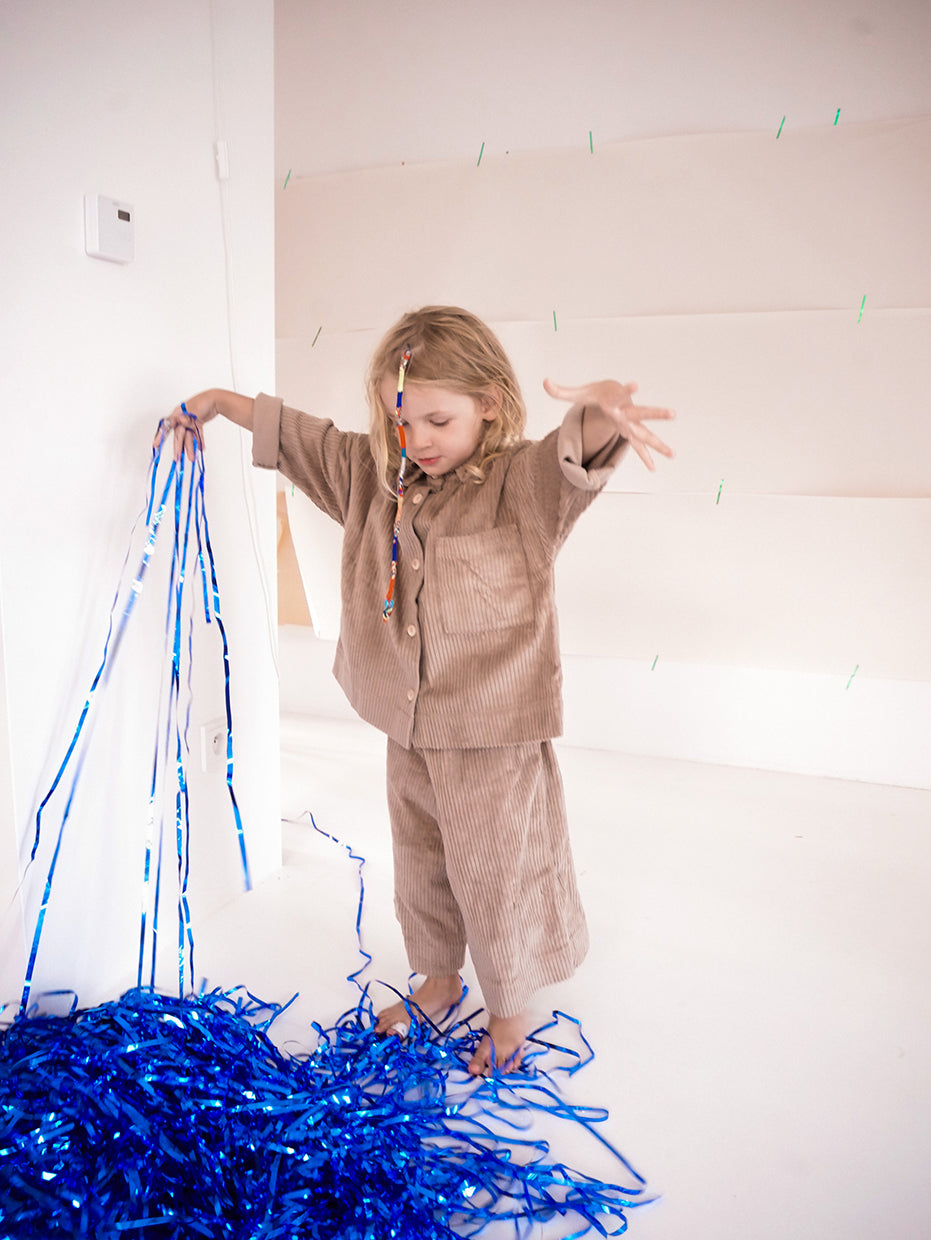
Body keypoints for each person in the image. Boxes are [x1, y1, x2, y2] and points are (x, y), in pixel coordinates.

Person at [159, 305, 674, 1075]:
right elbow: (308, 440)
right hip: (407, 723)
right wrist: (217, 402)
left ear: (489, 404)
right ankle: (437, 979)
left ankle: (507, 1010)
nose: (417, 441)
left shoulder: (519, 489)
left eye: (437, 419)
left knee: (496, 871)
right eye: (402, 424)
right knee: (422, 860)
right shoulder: (378, 480)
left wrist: (596, 416)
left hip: (493, 730)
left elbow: (575, 458)